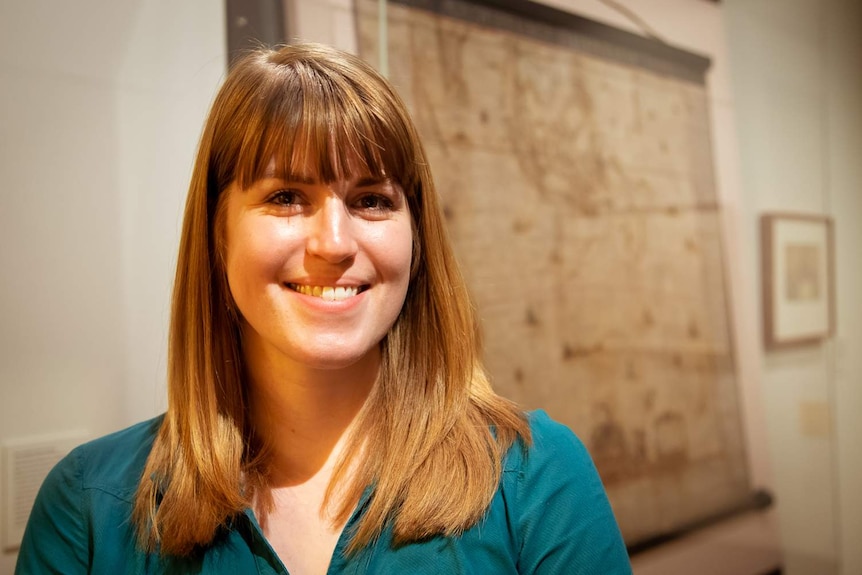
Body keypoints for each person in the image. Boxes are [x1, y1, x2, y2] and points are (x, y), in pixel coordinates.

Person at [16, 43, 631, 574]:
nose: (334, 244)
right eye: (286, 196)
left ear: (417, 238)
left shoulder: (535, 481)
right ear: (217, 233)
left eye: (371, 199)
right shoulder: (89, 507)